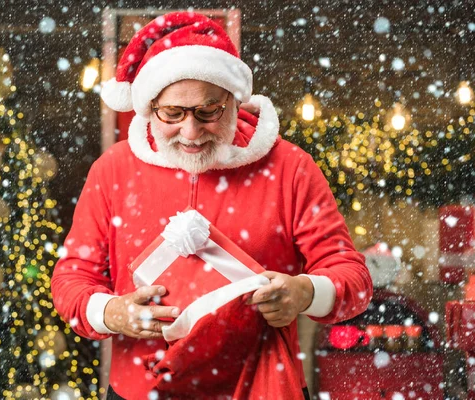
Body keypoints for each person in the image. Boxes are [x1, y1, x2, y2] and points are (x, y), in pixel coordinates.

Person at [51, 11, 373, 400]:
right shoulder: (113, 170)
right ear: (150, 107)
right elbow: (71, 280)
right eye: (172, 113)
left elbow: (353, 278)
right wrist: (111, 312)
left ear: (235, 101)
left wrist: (304, 292)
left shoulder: (290, 167)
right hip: (141, 389)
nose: (190, 132)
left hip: (262, 388)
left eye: (208, 112)